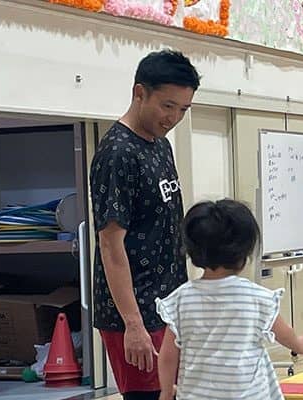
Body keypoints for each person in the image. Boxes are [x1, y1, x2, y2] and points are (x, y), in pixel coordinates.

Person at [90, 49, 200, 400]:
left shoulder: (161, 146)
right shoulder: (117, 153)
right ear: (140, 93)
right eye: (167, 106)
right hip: (136, 310)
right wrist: (133, 324)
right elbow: (110, 245)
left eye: (183, 109)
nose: (174, 117)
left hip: (168, 304)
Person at [155, 199, 303, 400]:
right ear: (244, 253)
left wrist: (166, 391)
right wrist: (297, 345)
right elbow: (284, 333)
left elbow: (168, 356)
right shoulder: (256, 297)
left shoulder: (181, 299)